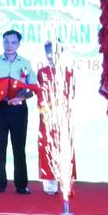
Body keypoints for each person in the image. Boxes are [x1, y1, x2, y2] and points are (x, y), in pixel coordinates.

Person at [0, 29, 37, 195]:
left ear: (19, 44)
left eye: (13, 42)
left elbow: (33, 87)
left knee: (19, 147)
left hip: (19, 109)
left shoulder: (26, 63)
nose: (9, 45)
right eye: (6, 42)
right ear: (3, 43)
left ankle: (21, 184)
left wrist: (20, 98)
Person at [37, 40, 76, 195]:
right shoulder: (41, 72)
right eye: (48, 52)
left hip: (63, 116)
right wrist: (46, 108)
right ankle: (49, 184)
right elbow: (40, 93)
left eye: (54, 52)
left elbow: (71, 94)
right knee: (46, 146)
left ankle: (65, 181)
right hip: (47, 116)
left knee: (64, 147)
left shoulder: (68, 72)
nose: (51, 55)